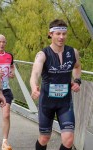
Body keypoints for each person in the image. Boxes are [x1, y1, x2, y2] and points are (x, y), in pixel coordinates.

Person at [30, 19, 81, 150]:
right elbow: (35, 73)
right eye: (58, 34)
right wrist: (34, 86)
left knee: (69, 139)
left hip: (65, 102)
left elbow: (77, 67)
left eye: (64, 34)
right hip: (47, 102)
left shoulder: (72, 52)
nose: (61, 37)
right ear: (51, 34)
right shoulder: (43, 54)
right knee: (44, 138)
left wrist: (77, 81)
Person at [0, 34, 15, 150]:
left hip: (5, 89)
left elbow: (12, 68)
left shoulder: (9, 56)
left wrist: (11, 73)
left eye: (3, 42)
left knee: (6, 114)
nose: (1, 44)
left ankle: (5, 142)